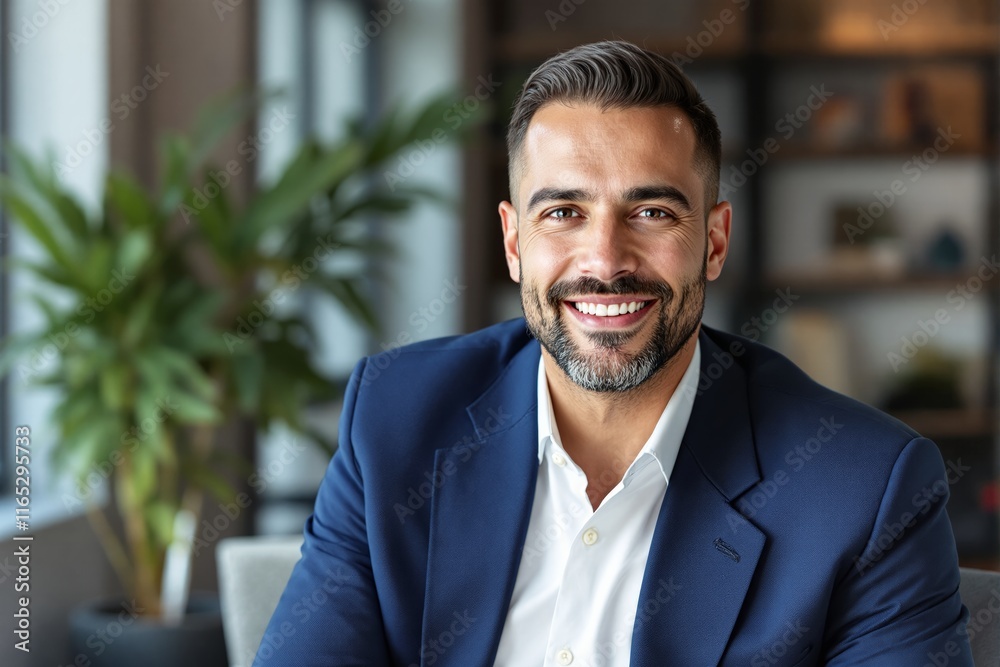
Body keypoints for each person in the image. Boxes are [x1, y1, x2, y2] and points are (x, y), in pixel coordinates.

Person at [256, 40, 972, 666]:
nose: (605, 259)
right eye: (563, 212)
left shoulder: (866, 488)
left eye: (652, 212)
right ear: (513, 242)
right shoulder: (393, 421)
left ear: (714, 241)